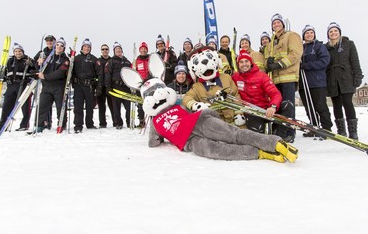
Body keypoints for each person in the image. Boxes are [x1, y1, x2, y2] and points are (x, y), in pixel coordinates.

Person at [120, 53, 299, 163]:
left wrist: (214, 111)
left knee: (233, 135)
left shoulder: (175, 104)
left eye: (158, 90)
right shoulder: (156, 122)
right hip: (189, 142)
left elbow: (234, 96)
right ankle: (261, 153)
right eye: (150, 94)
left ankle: (275, 143)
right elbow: (153, 142)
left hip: (200, 122)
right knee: (217, 151)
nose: (156, 96)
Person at [264, 13, 303, 142]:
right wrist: (268, 64)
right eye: (274, 23)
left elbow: (295, 54)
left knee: (288, 105)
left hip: (288, 77)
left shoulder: (291, 36)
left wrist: (279, 64)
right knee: (278, 106)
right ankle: (279, 130)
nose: (276, 25)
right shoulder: (270, 44)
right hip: (275, 80)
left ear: (283, 24)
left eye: (278, 22)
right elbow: (266, 62)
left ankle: (290, 131)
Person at [325, 22, 364, 139]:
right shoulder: (326, 48)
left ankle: (353, 131)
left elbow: (355, 61)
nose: (333, 33)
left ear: (339, 32)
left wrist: (358, 76)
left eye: (335, 31)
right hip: (332, 79)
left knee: (347, 103)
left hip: (346, 78)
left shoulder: (348, 44)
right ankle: (341, 130)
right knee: (336, 105)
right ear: (328, 34)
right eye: (331, 31)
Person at [232, 50, 282, 134]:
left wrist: (273, 106)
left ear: (251, 62)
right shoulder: (235, 77)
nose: (244, 64)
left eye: (246, 61)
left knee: (286, 104)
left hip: (265, 110)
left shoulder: (261, 76)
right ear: (238, 64)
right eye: (241, 62)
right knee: (256, 130)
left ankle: (281, 133)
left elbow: (275, 94)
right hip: (250, 111)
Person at [299, 25, 333, 137]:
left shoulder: (319, 46)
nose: (309, 35)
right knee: (309, 106)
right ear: (303, 35)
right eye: (307, 33)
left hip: (317, 82)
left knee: (320, 105)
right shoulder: (301, 48)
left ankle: (326, 128)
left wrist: (307, 65)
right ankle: (314, 126)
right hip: (304, 83)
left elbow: (324, 61)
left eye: (311, 32)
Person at [0, 43, 35, 132]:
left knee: (25, 106)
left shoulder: (28, 60)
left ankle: (24, 125)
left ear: (22, 52)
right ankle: (3, 125)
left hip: (23, 86)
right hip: (11, 86)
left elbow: (35, 72)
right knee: (6, 107)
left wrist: (32, 68)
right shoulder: (10, 61)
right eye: (16, 51)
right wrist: (1, 78)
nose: (18, 53)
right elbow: (5, 73)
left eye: (19, 51)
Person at [33, 37, 70, 133]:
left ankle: (62, 124)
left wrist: (45, 76)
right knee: (42, 106)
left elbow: (60, 73)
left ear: (64, 48)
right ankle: (39, 125)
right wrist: (39, 62)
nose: (59, 47)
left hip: (59, 86)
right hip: (47, 87)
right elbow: (39, 69)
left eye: (61, 46)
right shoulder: (48, 57)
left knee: (60, 107)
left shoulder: (65, 60)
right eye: (57, 45)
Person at [72, 38, 102, 133]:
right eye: (85, 46)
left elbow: (100, 74)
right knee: (78, 106)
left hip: (89, 86)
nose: (86, 48)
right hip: (78, 86)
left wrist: (99, 87)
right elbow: (70, 72)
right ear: (82, 47)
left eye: (88, 47)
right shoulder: (76, 58)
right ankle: (78, 125)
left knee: (90, 106)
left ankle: (89, 123)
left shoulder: (94, 59)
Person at [105, 42, 132, 129]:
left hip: (126, 87)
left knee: (129, 107)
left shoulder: (127, 61)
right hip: (116, 87)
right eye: (116, 49)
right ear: (114, 51)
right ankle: (118, 123)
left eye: (119, 49)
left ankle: (129, 122)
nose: (118, 50)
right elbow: (108, 74)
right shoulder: (111, 61)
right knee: (116, 108)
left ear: (121, 50)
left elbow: (132, 73)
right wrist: (108, 87)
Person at [34, 34, 56, 129]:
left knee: (55, 105)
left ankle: (50, 123)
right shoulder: (42, 52)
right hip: (45, 81)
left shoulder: (57, 50)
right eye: (47, 41)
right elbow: (35, 65)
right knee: (44, 104)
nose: (49, 42)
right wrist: (38, 62)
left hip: (56, 82)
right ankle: (43, 123)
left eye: (51, 40)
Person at [96, 44, 114, 128]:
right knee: (101, 107)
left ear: (109, 50)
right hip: (101, 87)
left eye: (106, 49)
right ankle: (102, 124)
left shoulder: (112, 60)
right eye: (103, 49)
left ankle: (115, 122)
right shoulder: (98, 61)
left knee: (113, 106)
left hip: (110, 87)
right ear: (101, 51)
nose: (105, 51)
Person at [134, 42, 150, 128]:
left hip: (149, 85)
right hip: (139, 86)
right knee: (140, 105)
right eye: (141, 49)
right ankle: (141, 121)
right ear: (139, 50)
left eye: (145, 49)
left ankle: (152, 122)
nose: (143, 50)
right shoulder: (136, 61)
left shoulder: (150, 59)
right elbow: (133, 73)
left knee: (151, 103)